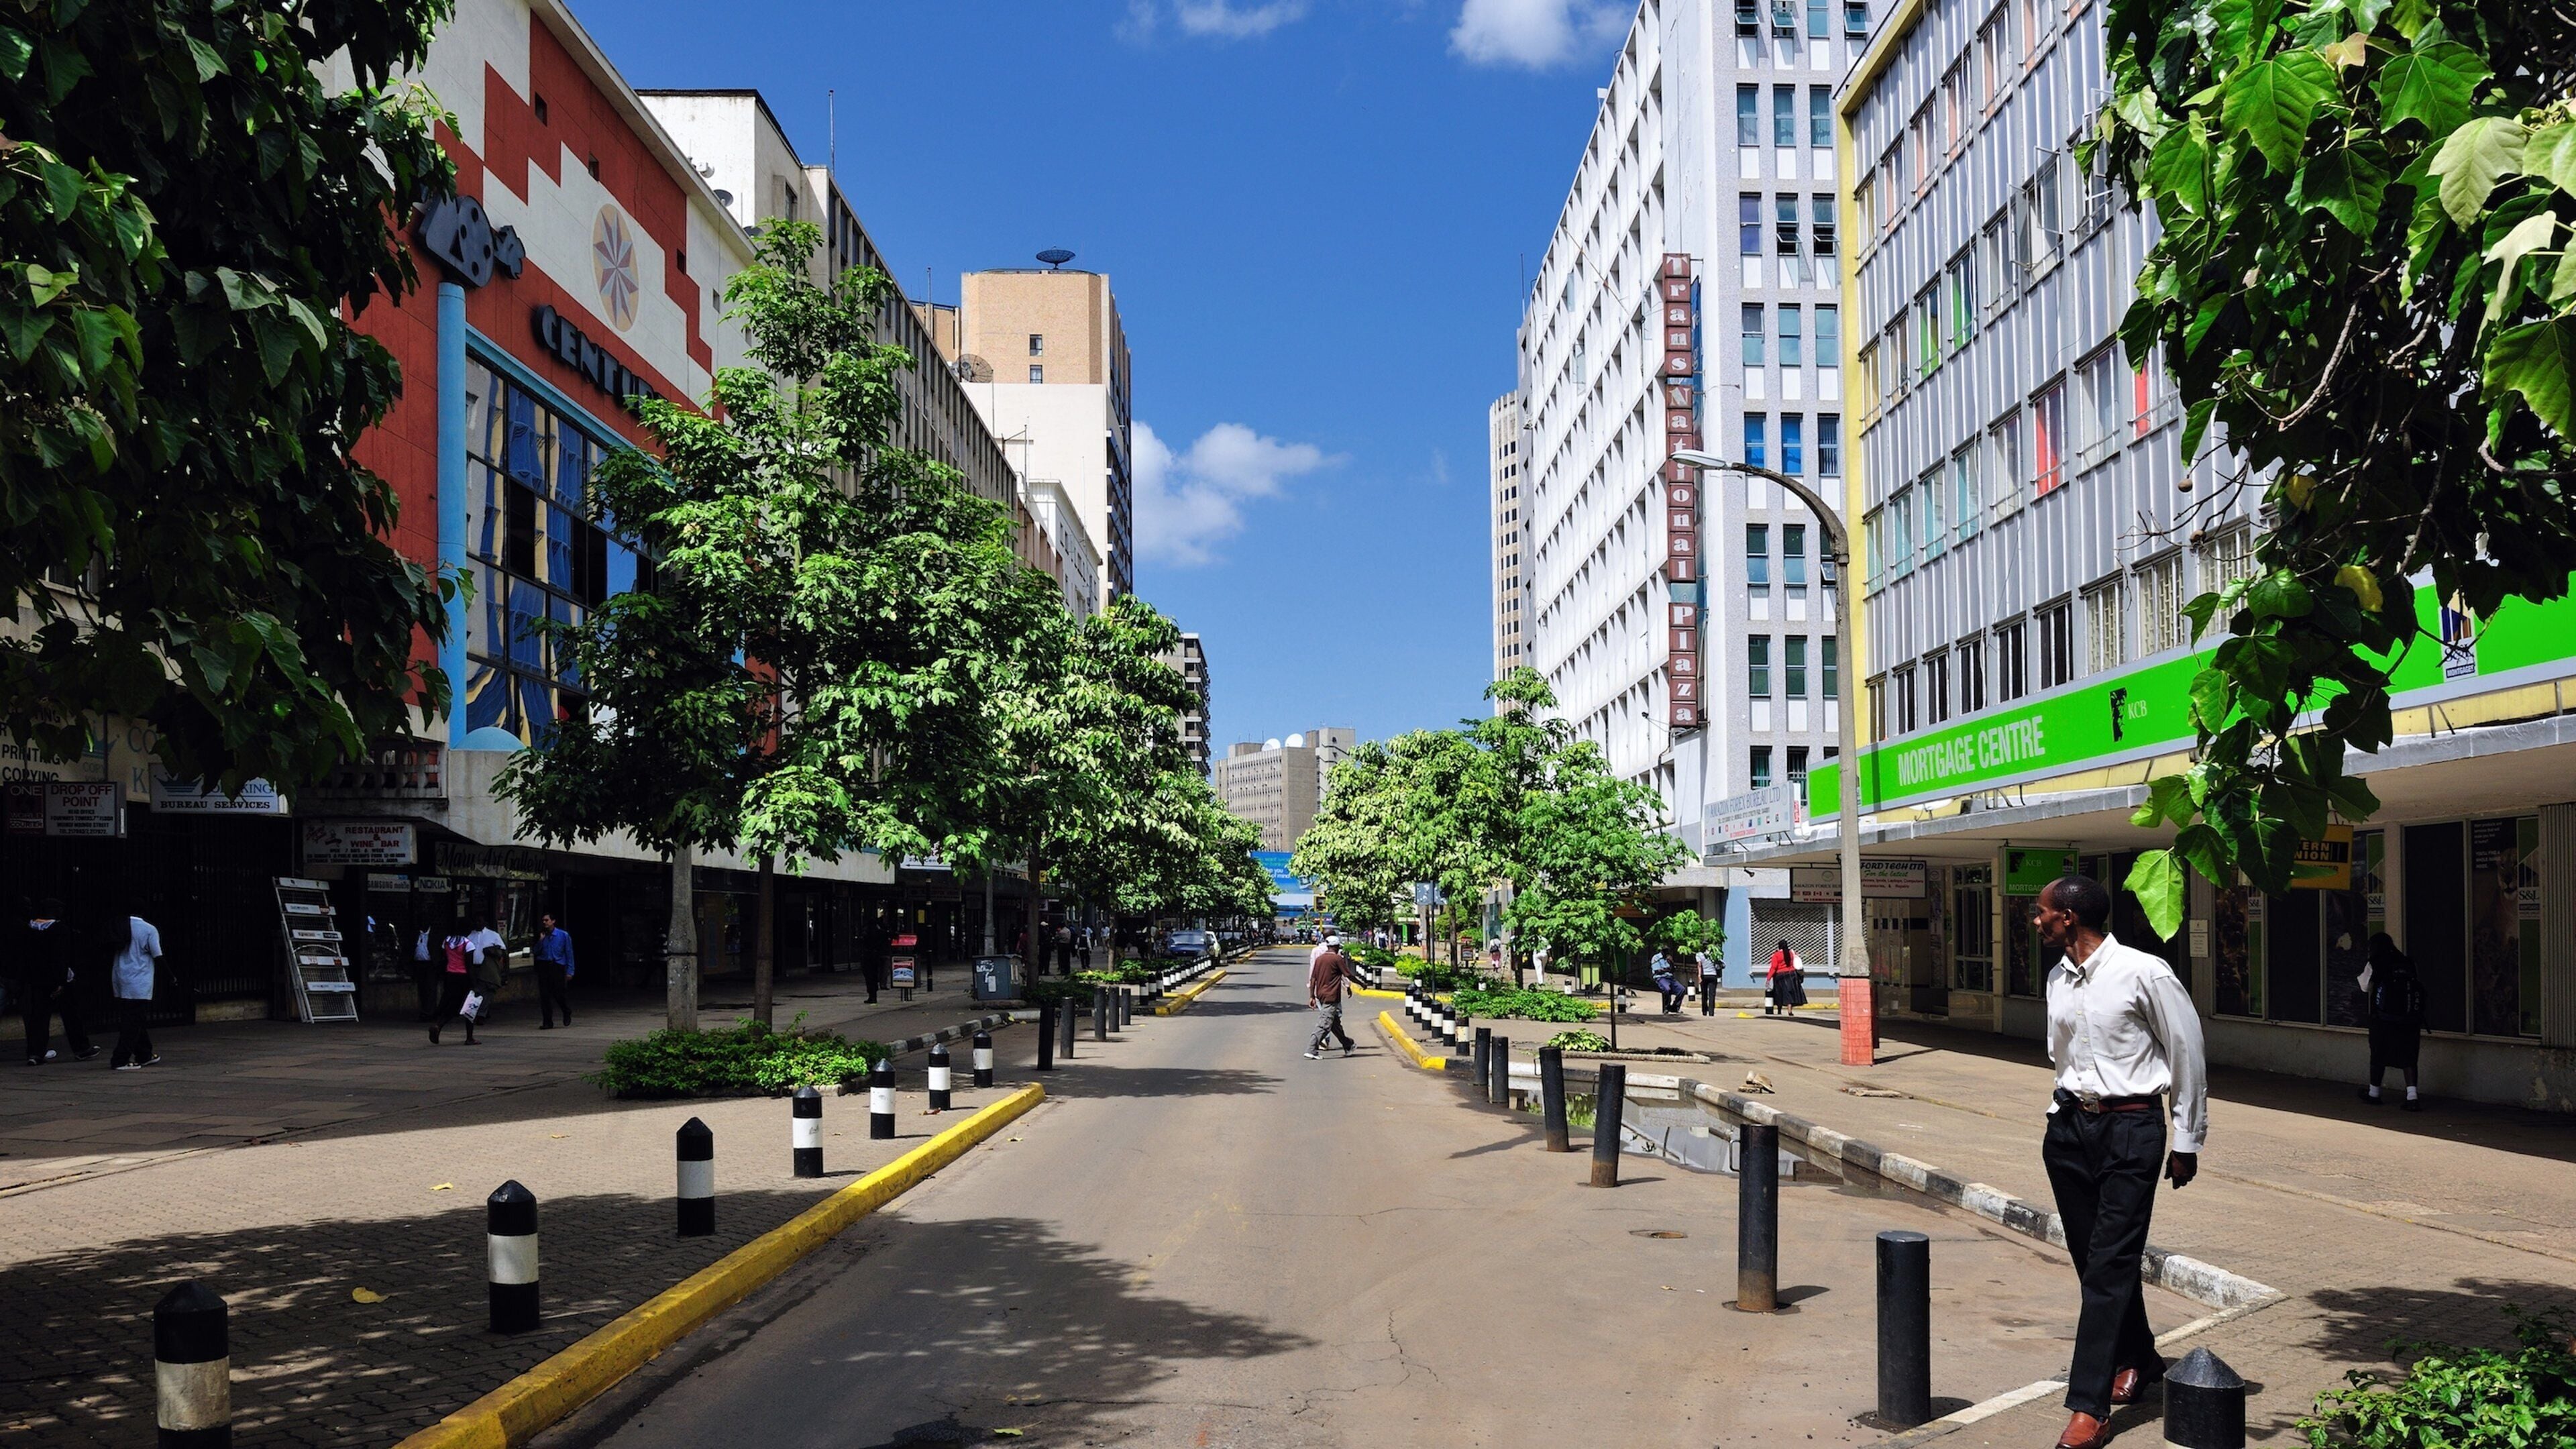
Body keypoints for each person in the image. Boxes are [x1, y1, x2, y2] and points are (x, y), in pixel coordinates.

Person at [2034, 874, 2207, 1449]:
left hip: (2131, 1128)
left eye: (2042, 912)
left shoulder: (2144, 971)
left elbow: (2187, 1053)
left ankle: (2090, 1407)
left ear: (2069, 918)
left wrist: (2186, 1140)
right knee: (2096, 1262)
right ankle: (2140, 1357)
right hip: (2068, 1130)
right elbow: (2064, 1059)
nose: (2036, 920)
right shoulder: (2059, 976)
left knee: (2109, 1265)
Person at [13, 899, 97, 1065]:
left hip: (37, 979)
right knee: (71, 1015)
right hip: (57, 978)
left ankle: (35, 1053)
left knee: (39, 1017)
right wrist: (60, 981)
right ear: (54, 911)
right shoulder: (59, 930)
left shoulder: (29, 930)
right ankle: (81, 1048)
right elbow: (60, 958)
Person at [2358, 933, 2424, 1111]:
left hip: (2383, 1019)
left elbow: (2364, 986)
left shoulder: (2375, 962)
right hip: (2410, 1020)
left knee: (2378, 1054)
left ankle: (2374, 1093)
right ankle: (2412, 1096)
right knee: (2409, 1056)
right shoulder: (2408, 962)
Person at [108, 910, 164, 1069]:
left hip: (120, 977)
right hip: (139, 981)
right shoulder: (148, 929)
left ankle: (144, 1053)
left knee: (135, 1018)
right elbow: (157, 955)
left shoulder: (119, 926)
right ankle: (120, 1059)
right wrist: (171, 976)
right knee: (132, 1022)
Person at [1305, 936, 1359, 1059]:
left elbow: (1313, 979)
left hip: (1321, 995)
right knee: (1324, 1024)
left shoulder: (1319, 959)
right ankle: (1311, 1049)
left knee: (1334, 1024)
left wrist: (1312, 996)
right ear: (1337, 946)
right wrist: (1362, 984)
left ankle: (1348, 1045)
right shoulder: (1337, 959)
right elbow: (1348, 974)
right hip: (1332, 996)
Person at [429, 930, 479, 1045]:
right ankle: (470, 1037)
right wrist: (474, 985)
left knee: (452, 1006)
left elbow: (444, 959)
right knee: (469, 1008)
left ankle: (438, 1025)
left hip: (450, 976)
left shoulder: (447, 941)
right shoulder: (468, 944)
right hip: (463, 978)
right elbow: (469, 967)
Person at [533, 913, 575, 1030]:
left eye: (547, 920)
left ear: (553, 921)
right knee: (544, 995)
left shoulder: (563, 935)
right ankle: (547, 1021)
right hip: (544, 965)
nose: (545, 923)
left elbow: (569, 953)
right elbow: (535, 952)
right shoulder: (542, 935)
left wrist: (570, 971)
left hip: (557, 966)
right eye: (543, 920)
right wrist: (541, 941)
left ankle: (566, 1010)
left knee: (558, 993)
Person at [1766, 941, 1805, 1015]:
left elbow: (1774, 968)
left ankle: (1779, 1010)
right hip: (1791, 975)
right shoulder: (1790, 953)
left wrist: (1768, 978)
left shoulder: (1776, 955)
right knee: (1790, 994)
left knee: (1779, 994)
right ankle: (1790, 1011)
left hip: (1780, 976)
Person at [1648, 949, 1682, 1014]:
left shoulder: (1668, 958)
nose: (1667, 953)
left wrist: (1671, 963)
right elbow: (1657, 971)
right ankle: (1666, 1007)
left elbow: (1673, 970)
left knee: (1681, 989)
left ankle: (1675, 1007)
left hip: (1670, 977)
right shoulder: (1656, 958)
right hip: (1661, 977)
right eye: (1665, 951)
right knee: (1667, 989)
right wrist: (1666, 970)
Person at [1697, 946, 1721, 1016]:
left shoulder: (1699, 954)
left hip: (1704, 976)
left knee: (1704, 994)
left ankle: (1704, 1011)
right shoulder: (1713, 954)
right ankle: (1711, 1012)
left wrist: (1699, 975)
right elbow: (1720, 964)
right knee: (1712, 995)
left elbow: (1699, 965)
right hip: (1713, 975)